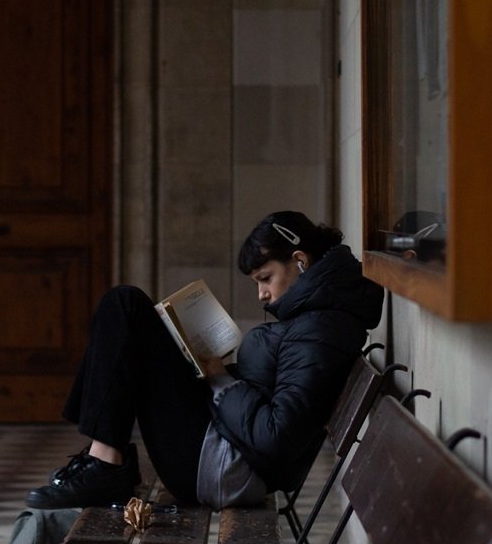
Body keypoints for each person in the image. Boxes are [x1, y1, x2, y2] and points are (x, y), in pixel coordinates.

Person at [27, 211, 385, 509]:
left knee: (126, 305)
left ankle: (105, 463)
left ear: (300, 261)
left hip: (222, 466)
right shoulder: (319, 317)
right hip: (223, 441)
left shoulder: (320, 329)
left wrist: (222, 380)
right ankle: (104, 457)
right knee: (128, 311)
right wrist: (212, 372)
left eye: (265, 279)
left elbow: (276, 436)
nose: (262, 294)